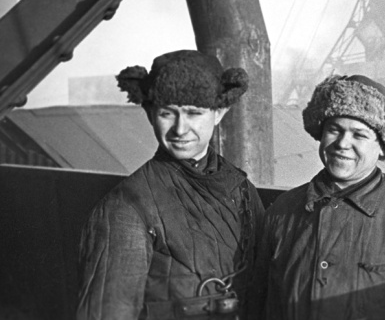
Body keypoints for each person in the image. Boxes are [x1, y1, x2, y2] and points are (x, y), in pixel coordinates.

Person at [252, 74, 385, 320]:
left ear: (384, 145)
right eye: (334, 130)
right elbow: (256, 305)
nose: (343, 143)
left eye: (359, 135)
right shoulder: (282, 211)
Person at [77, 50, 265, 320]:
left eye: (194, 113)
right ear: (150, 113)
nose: (180, 129)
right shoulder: (126, 207)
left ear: (219, 112)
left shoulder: (242, 189)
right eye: (167, 113)